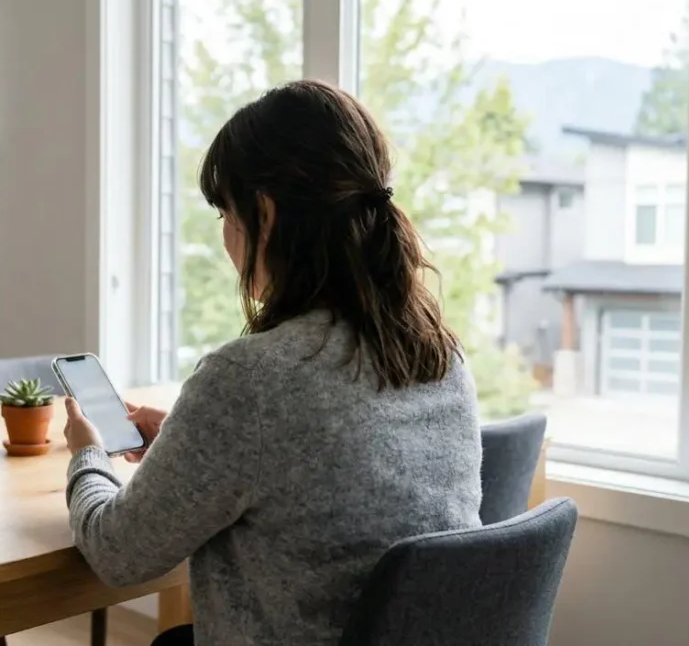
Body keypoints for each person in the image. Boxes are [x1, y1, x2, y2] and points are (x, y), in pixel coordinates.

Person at [62, 79, 482, 645]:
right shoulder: (440, 356)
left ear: (265, 211)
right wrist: (188, 441)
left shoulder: (252, 381)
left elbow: (116, 553)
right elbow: (308, 467)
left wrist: (87, 453)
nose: (227, 241)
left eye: (226, 215)